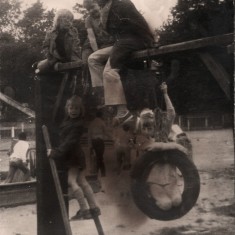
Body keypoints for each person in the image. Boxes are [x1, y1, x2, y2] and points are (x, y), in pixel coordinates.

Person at [88, 0, 155, 125]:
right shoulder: (105, 9)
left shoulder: (122, 4)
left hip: (133, 40)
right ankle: (103, 94)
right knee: (92, 59)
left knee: (109, 71)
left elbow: (139, 23)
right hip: (120, 42)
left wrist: (150, 42)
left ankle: (122, 111)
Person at [48, 95, 100, 220]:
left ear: (80, 110)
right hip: (75, 155)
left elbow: (69, 142)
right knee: (82, 181)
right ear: (67, 108)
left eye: (76, 108)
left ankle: (84, 210)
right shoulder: (68, 121)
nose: (73, 111)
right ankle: (94, 207)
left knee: (71, 181)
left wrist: (55, 152)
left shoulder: (78, 124)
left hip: (73, 156)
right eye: (71, 108)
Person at [136, 82, 185, 211]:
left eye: (150, 126)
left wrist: (165, 93)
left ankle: (170, 194)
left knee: (177, 201)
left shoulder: (162, 132)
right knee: (165, 205)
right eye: (144, 127)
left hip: (169, 175)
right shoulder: (141, 139)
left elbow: (171, 113)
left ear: (155, 124)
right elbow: (154, 147)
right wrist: (175, 146)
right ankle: (153, 197)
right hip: (153, 179)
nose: (147, 130)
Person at [82, 0, 114, 107]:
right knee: (87, 61)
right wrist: (97, 53)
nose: (91, 10)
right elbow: (92, 38)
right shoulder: (89, 20)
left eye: (92, 7)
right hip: (94, 45)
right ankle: (99, 91)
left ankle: (108, 92)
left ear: (98, 5)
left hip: (108, 43)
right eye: (88, 9)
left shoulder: (107, 14)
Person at [36, 9, 80, 73]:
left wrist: (75, 60)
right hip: (54, 58)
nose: (68, 22)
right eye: (66, 19)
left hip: (68, 58)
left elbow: (76, 47)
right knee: (40, 67)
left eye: (70, 20)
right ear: (59, 20)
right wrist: (52, 60)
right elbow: (46, 47)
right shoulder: (51, 32)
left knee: (73, 67)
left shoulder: (73, 31)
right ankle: (38, 64)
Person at [88, 109, 110, 177]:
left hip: (93, 141)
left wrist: (90, 145)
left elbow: (89, 134)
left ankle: (96, 172)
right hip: (100, 141)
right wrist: (112, 137)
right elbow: (106, 132)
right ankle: (102, 173)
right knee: (100, 157)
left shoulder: (92, 123)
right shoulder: (102, 123)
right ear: (101, 116)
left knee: (95, 157)